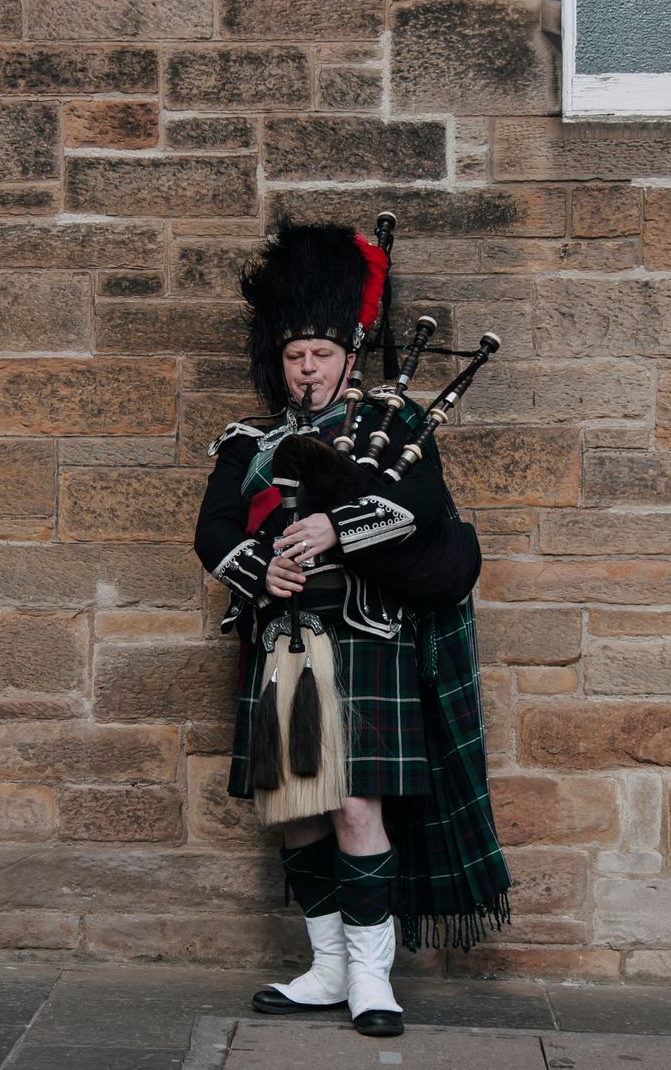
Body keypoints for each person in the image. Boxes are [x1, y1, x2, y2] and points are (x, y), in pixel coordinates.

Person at [193, 220, 511, 1039]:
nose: (308, 366)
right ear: (280, 359)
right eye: (296, 354)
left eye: (323, 353)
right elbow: (214, 529)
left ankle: (372, 978)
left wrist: (336, 528)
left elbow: (423, 507)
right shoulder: (249, 443)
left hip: (365, 638)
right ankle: (327, 966)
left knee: (355, 805)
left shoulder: (391, 428)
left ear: (348, 355)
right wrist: (261, 568)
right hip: (284, 638)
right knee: (297, 806)